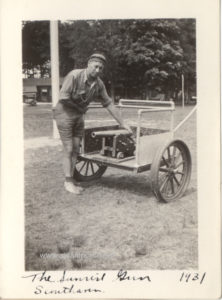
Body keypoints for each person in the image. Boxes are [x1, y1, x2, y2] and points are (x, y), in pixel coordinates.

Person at [54, 53, 131, 194]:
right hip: (64, 114)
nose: (97, 70)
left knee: (76, 148)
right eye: (95, 66)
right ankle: (68, 181)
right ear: (88, 64)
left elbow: (108, 103)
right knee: (69, 148)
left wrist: (123, 123)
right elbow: (64, 98)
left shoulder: (99, 84)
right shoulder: (74, 75)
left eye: (100, 68)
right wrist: (81, 108)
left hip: (78, 116)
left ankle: (72, 179)